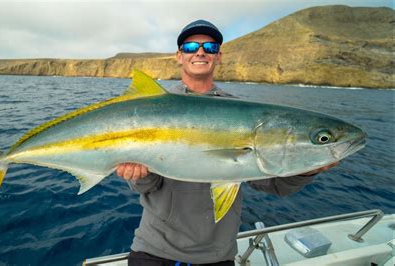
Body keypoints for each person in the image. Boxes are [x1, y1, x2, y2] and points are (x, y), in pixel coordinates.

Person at [116, 20, 337, 266]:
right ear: (179, 56)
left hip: (217, 256)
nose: (200, 52)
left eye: (210, 47)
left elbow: (275, 185)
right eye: (190, 47)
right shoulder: (153, 105)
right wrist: (137, 175)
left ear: (218, 56)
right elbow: (148, 186)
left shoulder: (242, 113)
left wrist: (307, 170)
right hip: (153, 251)